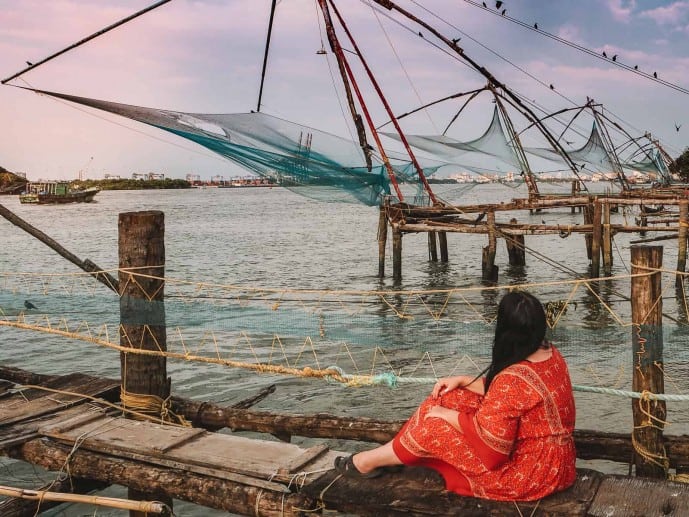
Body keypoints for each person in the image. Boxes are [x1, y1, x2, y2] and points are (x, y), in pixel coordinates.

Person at [334, 290, 576, 502]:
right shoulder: (551, 354)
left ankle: (367, 462)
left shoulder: (512, 378)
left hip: (531, 475)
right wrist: (464, 381)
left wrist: (447, 416)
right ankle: (390, 456)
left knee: (434, 425)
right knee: (452, 396)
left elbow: (493, 451)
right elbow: (517, 398)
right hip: (558, 464)